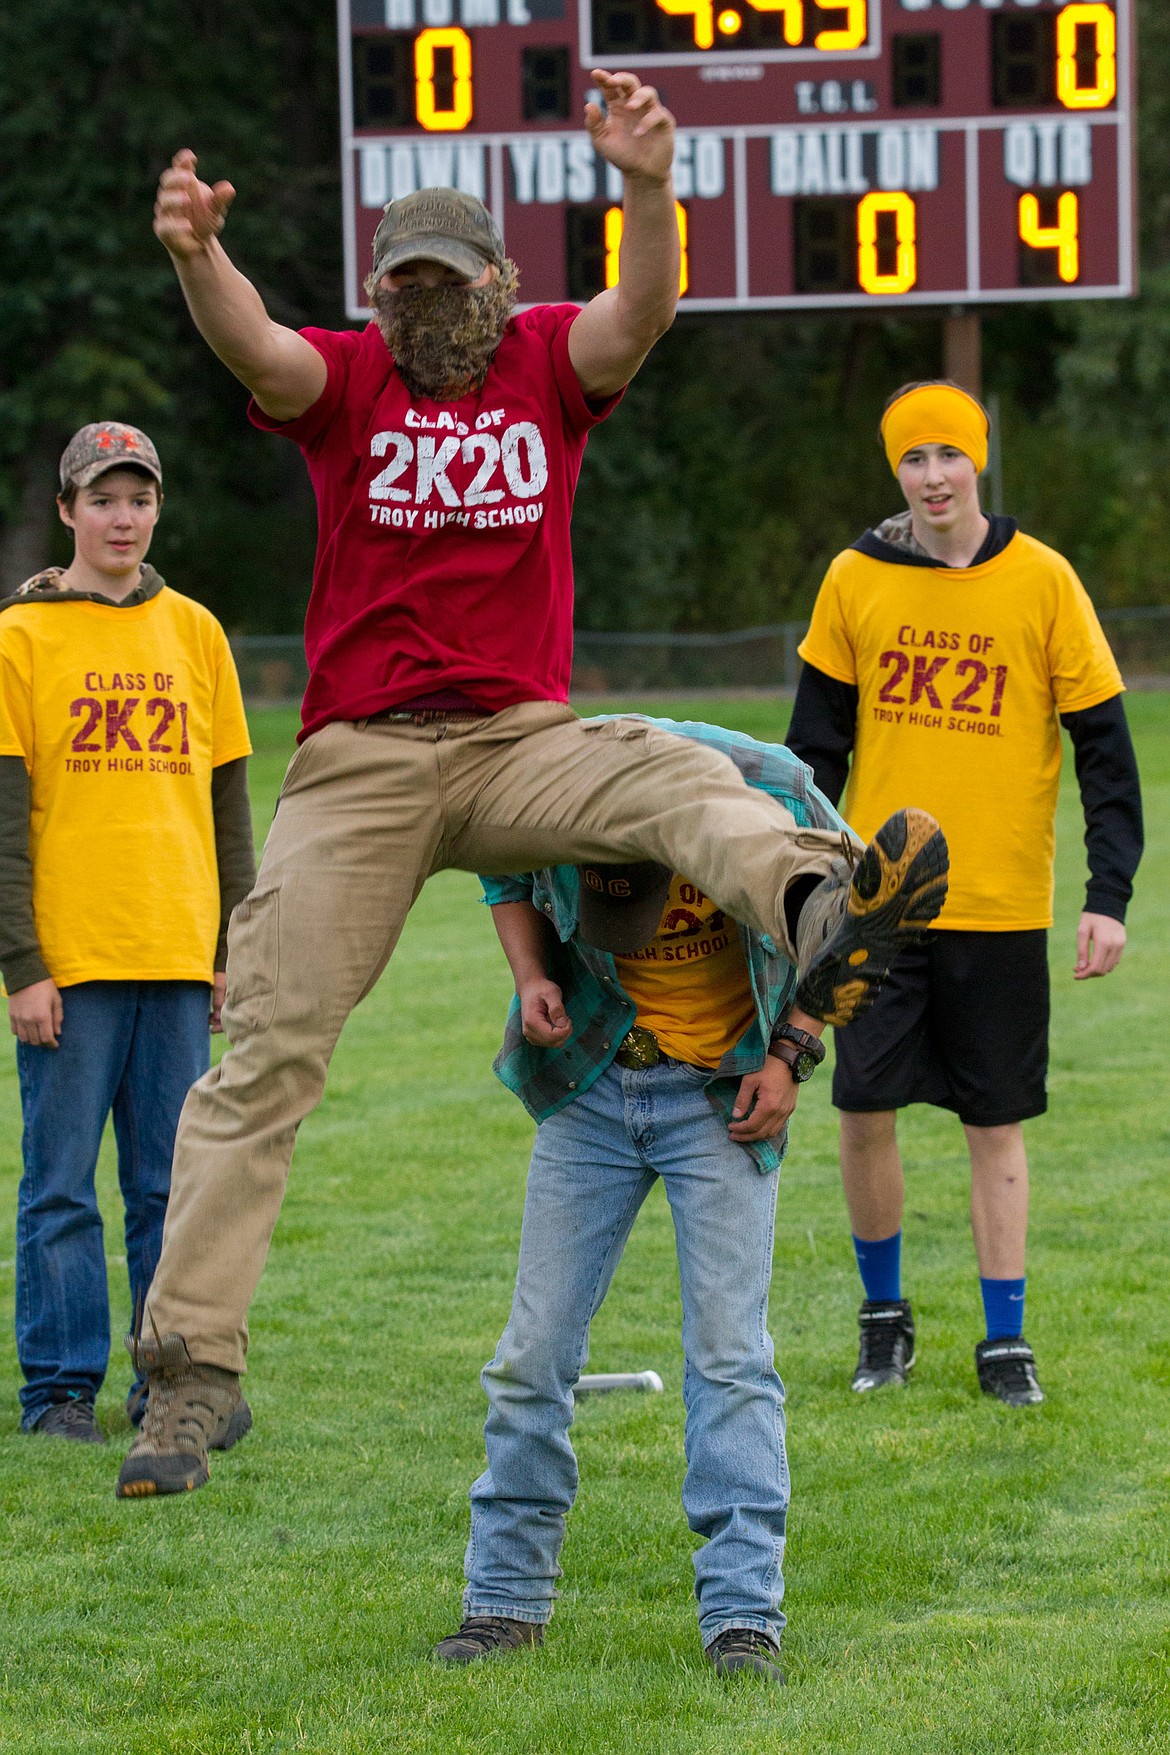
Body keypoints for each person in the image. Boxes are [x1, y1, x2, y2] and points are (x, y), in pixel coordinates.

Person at [116, 79, 948, 1499]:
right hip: (363, 758)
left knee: (673, 771)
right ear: (380, 298)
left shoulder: (554, 362)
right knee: (267, 1039)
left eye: (451, 283)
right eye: (406, 286)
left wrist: (644, 184)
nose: (429, 308)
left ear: (501, 283)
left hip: (516, 737)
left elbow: (644, 311)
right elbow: (256, 350)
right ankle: (190, 1375)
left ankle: (819, 898)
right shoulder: (348, 383)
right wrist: (198, 252)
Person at [431, 719, 861, 1682]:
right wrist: (536, 972)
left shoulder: (775, 795)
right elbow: (501, 868)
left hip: (724, 1097)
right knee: (531, 1352)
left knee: (729, 1356)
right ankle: (503, 1603)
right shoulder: (557, 784)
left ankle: (743, 1619)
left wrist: (791, 1051)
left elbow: (857, 913)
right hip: (591, 1084)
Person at [786, 380, 1143, 1408]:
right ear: (893, 468)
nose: (932, 476)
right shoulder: (855, 579)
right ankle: (883, 1323)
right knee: (863, 1109)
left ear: (978, 458)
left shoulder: (1044, 582)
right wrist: (802, 889)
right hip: (881, 906)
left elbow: (1107, 757)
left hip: (1001, 905)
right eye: (912, 459)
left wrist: (1105, 893)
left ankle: (1005, 1341)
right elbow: (812, 757)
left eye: (949, 455)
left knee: (996, 1122)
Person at [0, 421, 256, 1443]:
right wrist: (23, 963)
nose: (123, 518)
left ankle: (172, 1387)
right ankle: (60, 1389)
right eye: (102, 499)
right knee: (62, 1189)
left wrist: (235, 950)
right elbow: (4, 823)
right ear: (67, 511)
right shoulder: (20, 639)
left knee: (170, 1190)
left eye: (140, 499)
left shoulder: (196, 630)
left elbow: (229, 811)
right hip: (72, 961)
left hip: (180, 955)